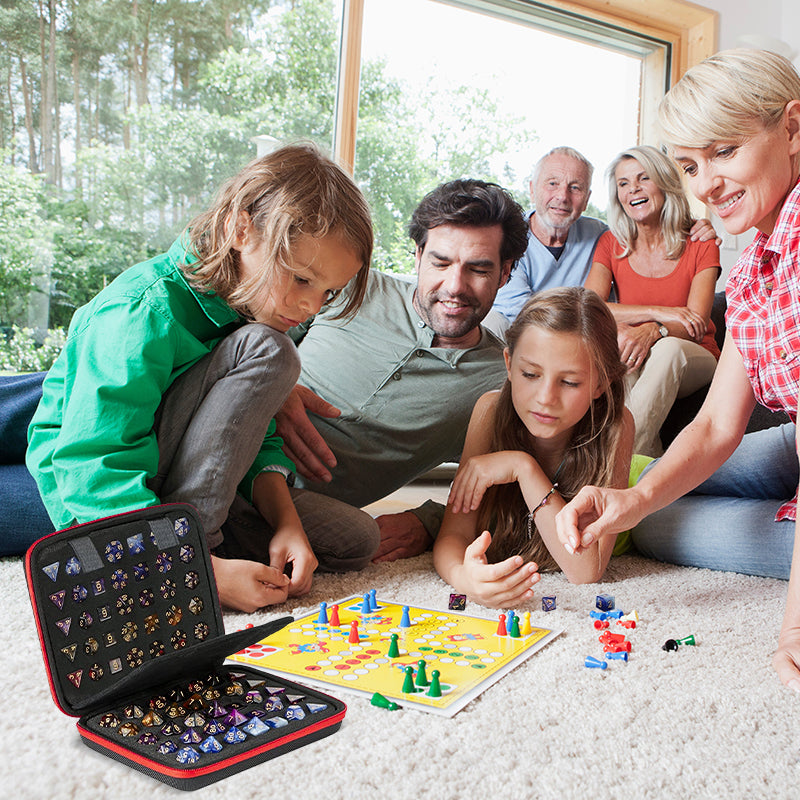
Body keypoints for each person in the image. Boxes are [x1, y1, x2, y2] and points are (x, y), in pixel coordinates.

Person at [6, 143, 376, 613]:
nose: (309, 307)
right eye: (302, 279)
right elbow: (90, 464)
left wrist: (286, 522)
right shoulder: (142, 309)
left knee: (355, 540)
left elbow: (251, 438)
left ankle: (194, 541)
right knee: (272, 351)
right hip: (104, 484)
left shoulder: (251, 307)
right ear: (241, 229)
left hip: (186, 483)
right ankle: (190, 556)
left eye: (328, 293)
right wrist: (199, 569)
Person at [554, 48, 800, 691]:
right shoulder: (753, 269)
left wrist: (795, 625)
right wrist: (631, 498)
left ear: (793, 128)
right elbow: (720, 423)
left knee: (660, 524)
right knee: (648, 518)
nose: (704, 187)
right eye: (690, 165)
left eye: (724, 151)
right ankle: (628, 478)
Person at [274, 179, 529, 562]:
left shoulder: (499, 379)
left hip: (297, 506)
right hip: (243, 436)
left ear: (505, 273)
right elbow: (256, 335)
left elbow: (523, 491)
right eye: (441, 263)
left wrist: (429, 522)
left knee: (360, 539)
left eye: (477, 269)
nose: (454, 286)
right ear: (418, 255)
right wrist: (274, 390)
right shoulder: (351, 285)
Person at [433, 287, 633, 608]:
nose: (545, 398)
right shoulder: (489, 412)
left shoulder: (616, 425)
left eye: (569, 382)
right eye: (530, 374)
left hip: (641, 480)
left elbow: (584, 569)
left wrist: (523, 468)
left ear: (600, 384)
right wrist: (463, 576)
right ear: (509, 364)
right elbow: (454, 534)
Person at [485, 146, 719, 336]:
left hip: (585, 335)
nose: (562, 197)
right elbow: (522, 312)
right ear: (532, 190)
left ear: (586, 200)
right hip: (530, 330)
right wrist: (657, 314)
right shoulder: (508, 239)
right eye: (552, 183)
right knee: (493, 323)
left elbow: (646, 225)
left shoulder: (601, 235)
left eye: (575, 188)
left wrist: (695, 225)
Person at [585, 145, 721, 456]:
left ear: (663, 183)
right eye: (623, 183)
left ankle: (615, 462)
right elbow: (590, 307)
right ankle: (646, 463)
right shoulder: (611, 243)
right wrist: (655, 314)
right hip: (638, 349)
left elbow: (696, 323)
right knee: (622, 352)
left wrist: (655, 330)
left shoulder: (700, 242)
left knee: (667, 350)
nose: (633, 189)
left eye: (643, 178)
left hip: (694, 354)